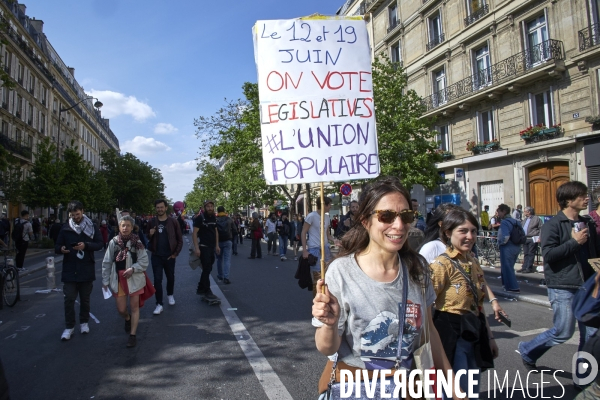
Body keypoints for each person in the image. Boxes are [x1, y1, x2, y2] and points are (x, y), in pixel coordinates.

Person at [312, 177, 459, 398]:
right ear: (365, 220)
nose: (399, 226)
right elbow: (327, 347)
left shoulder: (418, 269)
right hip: (357, 387)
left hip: (408, 388)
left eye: (406, 216)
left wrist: (455, 390)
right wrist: (330, 325)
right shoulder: (341, 271)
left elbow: (428, 334)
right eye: (386, 216)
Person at [518, 181, 600, 382]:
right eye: (582, 196)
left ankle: (585, 380)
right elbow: (550, 255)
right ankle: (528, 350)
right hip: (563, 285)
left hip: (588, 285)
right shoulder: (553, 225)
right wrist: (574, 242)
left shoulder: (588, 222)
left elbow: (595, 252)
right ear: (569, 200)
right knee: (563, 331)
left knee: (590, 335)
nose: (586, 198)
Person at [430, 208, 506, 396]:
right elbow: (426, 305)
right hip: (450, 333)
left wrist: (489, 337)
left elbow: (478, 303)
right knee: (457, 389)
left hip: (473, 331)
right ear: (448, 233)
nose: (469, 236)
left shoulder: (472, 261)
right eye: (462, 231)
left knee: (472, 389)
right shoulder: (441, 265)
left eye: (473, 231)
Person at [102, 215, 155, 348]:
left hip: (134, 278)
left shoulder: (137, 243)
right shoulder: (113, 242)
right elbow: (107, 262)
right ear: (119, 227)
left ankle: (133, 335)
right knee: (121, 309)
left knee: (134, 307)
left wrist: (133, 268)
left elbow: (144, 261)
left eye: (128, 226)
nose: (125, 228)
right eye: (123, 225)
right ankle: (127, 318)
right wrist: (105, 280)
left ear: (132, 227)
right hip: (118, 279)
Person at [55, 201, 104, 341]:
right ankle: (69, 326)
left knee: (85, 299)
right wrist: (61, 249)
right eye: (73, 215)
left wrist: (86, 245)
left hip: (86, 267)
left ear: (82, 211)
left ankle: (84, 322)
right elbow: (57, 246)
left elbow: (100, 244)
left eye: (78, 214)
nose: (76, 217)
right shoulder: (65, 228)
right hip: (70, 268)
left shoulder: (92, 227)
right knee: (69, 298)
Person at [146, 199, 183, 315]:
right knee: (157, 280)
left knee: (170, 277)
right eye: (158, 207)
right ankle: (159, 304)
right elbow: (147, 237)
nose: (160, 209)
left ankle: (170, 294)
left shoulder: (173, 222)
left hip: (169, 256)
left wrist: (174, 254)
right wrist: (150, 234)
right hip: (156, 256)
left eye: (162, 207)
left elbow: (179, 240)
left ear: (166, 208)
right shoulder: (152, 222)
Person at [301, 197, 337, 298]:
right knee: (318, 278)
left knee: (328, 275)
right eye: (329, 205)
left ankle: (326, 298)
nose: (330, 207)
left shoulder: (326, 217)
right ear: (323, 205)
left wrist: (334, 240)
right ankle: (317, 300)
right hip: (314, 249)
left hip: (325, 248)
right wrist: (304, 250)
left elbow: (327, 235)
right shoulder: (311, 216)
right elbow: (303, 232)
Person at [192, 200, 220, 301]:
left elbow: (216, 231)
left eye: (211, 206)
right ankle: (207, 290)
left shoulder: (214, 217)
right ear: (204, 208)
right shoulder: (200, 218)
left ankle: (201, 288)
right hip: (203, 247)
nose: (210, 208)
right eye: (208, 206)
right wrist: (197, 248)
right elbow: (194, 233)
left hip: (212, 247)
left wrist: (217, 245)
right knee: (207, 268)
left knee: (208, 268)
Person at [496, 204, 521, 293]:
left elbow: (506, 236)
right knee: (509, 266)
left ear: (504, 212)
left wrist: (501, 243)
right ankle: (506, 286)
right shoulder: (516, 221)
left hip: (507, 246)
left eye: (499, 211)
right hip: (517, 246)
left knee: (507, 267)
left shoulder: (505, 222)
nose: (497, 213)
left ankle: (513, 287)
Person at [215, 206, 236, 284]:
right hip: (228, 240)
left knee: (219, 259)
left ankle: (220, 275)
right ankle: (226, 277)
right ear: (224, 211)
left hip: (218, 242)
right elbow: (235, 230)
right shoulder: (229, 219)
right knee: (227, 260)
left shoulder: (215, 220)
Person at [519, 206, 542, 274]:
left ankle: (529, 268)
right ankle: (524, 267)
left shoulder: (537, 219)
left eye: (525, 211)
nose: (524, 213)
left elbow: (541, 228)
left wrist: (540, 237)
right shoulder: (525, 219)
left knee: (531, 253)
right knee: (526, 253)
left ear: (529, 212)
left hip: (532, 238)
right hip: (525, 238)